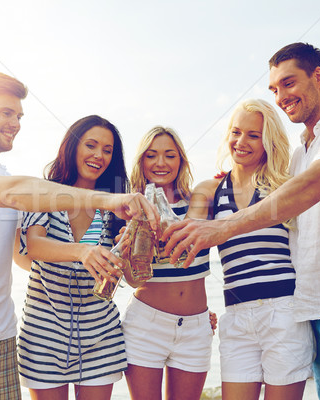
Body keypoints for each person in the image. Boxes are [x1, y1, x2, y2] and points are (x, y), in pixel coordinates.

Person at [163, 43, 320, 399]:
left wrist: (224, 226)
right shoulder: (300, 154)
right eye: (274, 89)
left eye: (288, 83)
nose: (281, 96)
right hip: (316, 313)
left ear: (318, 77)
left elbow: (310, 188)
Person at [0, 72, 157, 400]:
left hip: (1, 338)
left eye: (19, 115)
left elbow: (21, 255)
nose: (16, 123)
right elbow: (18, 205)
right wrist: (101, 211)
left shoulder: (6, 175)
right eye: (7, 113)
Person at [186, 99, 312, 400]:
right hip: (236, 316)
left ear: (268, 141)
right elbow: (186, 239)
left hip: (284, 313)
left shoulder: (284, 186)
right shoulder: (210, 190)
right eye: (236, 132)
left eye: (254, 135)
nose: (241, 142)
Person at [13, 115, 130, 400]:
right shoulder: (46, 192)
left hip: (100, 334)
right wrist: (82, 252)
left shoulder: (114, 205)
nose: (98, 155)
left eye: (107, 150)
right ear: (72, 147)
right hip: (43, 334)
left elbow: (130, 277)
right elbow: (35, 245)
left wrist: (128, 251)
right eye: (90, 145)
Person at [120, 127, 214, 400]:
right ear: (142, 162)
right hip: (145, 325)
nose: (160, 163)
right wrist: (128, 252)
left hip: (196, 327)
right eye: (152, 155)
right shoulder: (129, 208)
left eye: (169, 155)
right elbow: (133, 280)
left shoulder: (202, 202)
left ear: (181, 161)